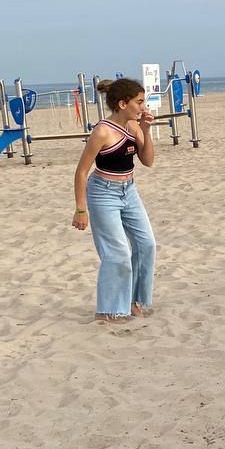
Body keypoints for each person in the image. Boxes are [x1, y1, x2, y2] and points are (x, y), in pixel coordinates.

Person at [71, 78, 158, 323]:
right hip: (102, 193)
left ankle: (133, 301)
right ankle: (108, 311)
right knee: (117, 253)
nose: (143, 107)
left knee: (146, 244)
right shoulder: (102, 131)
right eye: (139, 102)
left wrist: (146, 131)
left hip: (129, 191)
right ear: (122, 104)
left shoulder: (134, 126)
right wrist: (80, 209)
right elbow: (81, 172)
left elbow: (148, 161)